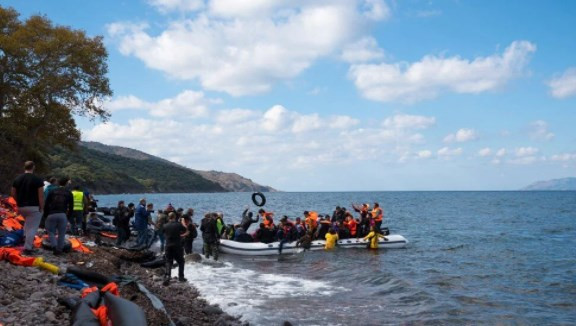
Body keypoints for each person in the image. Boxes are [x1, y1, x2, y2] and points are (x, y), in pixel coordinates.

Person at [11, 161, 45, 255]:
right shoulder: (37, 179)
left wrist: (18, 202)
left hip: (21, 207)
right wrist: (41, 207)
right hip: (34, 207)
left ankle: (24, 240)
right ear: (33, 167)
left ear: (24, 167)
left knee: (27, 224)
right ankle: (28, 248)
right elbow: (41, 196)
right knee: (32, 227)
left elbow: (13, 193)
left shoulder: (18, 178)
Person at [43, 177, 73, 255]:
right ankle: (59, 250)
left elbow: (46, 204)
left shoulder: (52, 191)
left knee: (50, 231)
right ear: (66, 183)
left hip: (51, 214)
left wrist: (45, 215)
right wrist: (68, 217)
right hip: (62, 215)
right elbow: (71, 207)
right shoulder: (69, 193)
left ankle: (54, 246)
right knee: (61, 233)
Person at [163, 212, 189, 285]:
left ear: (168, 217)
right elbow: (185, 229)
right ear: (174, 217)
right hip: (177, 245)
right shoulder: (178, 224)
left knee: (168, 261)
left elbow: (163, 233)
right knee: (181, 261)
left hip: (168, 245)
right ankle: (181, 277)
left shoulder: (165, 225)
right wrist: (183, 222)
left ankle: (168, 276)